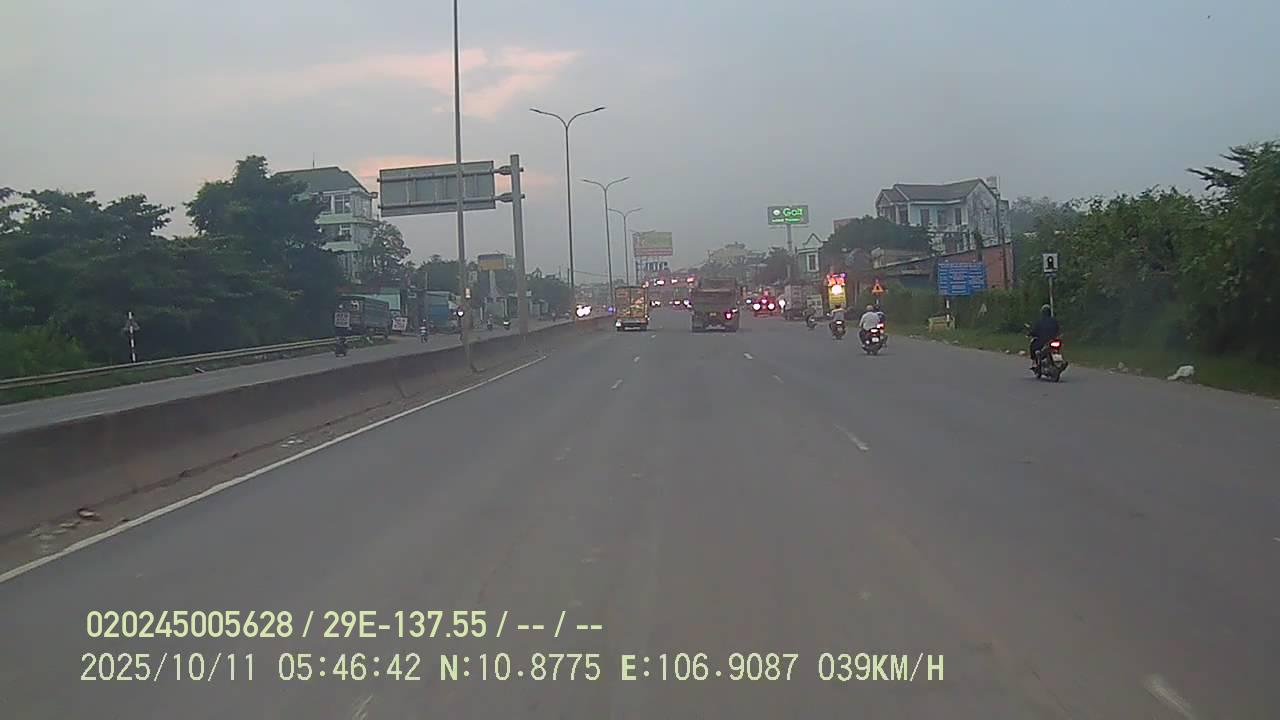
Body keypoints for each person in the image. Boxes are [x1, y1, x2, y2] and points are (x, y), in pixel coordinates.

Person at [1027, 304, 1061, 370]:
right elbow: (1058, 330)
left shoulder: (1039, 322)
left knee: (1033, 346)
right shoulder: (1054, 321)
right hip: (1054, 340)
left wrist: (1030, 334)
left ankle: (1034, 362)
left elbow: (1034, 331)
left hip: (1043, 341)